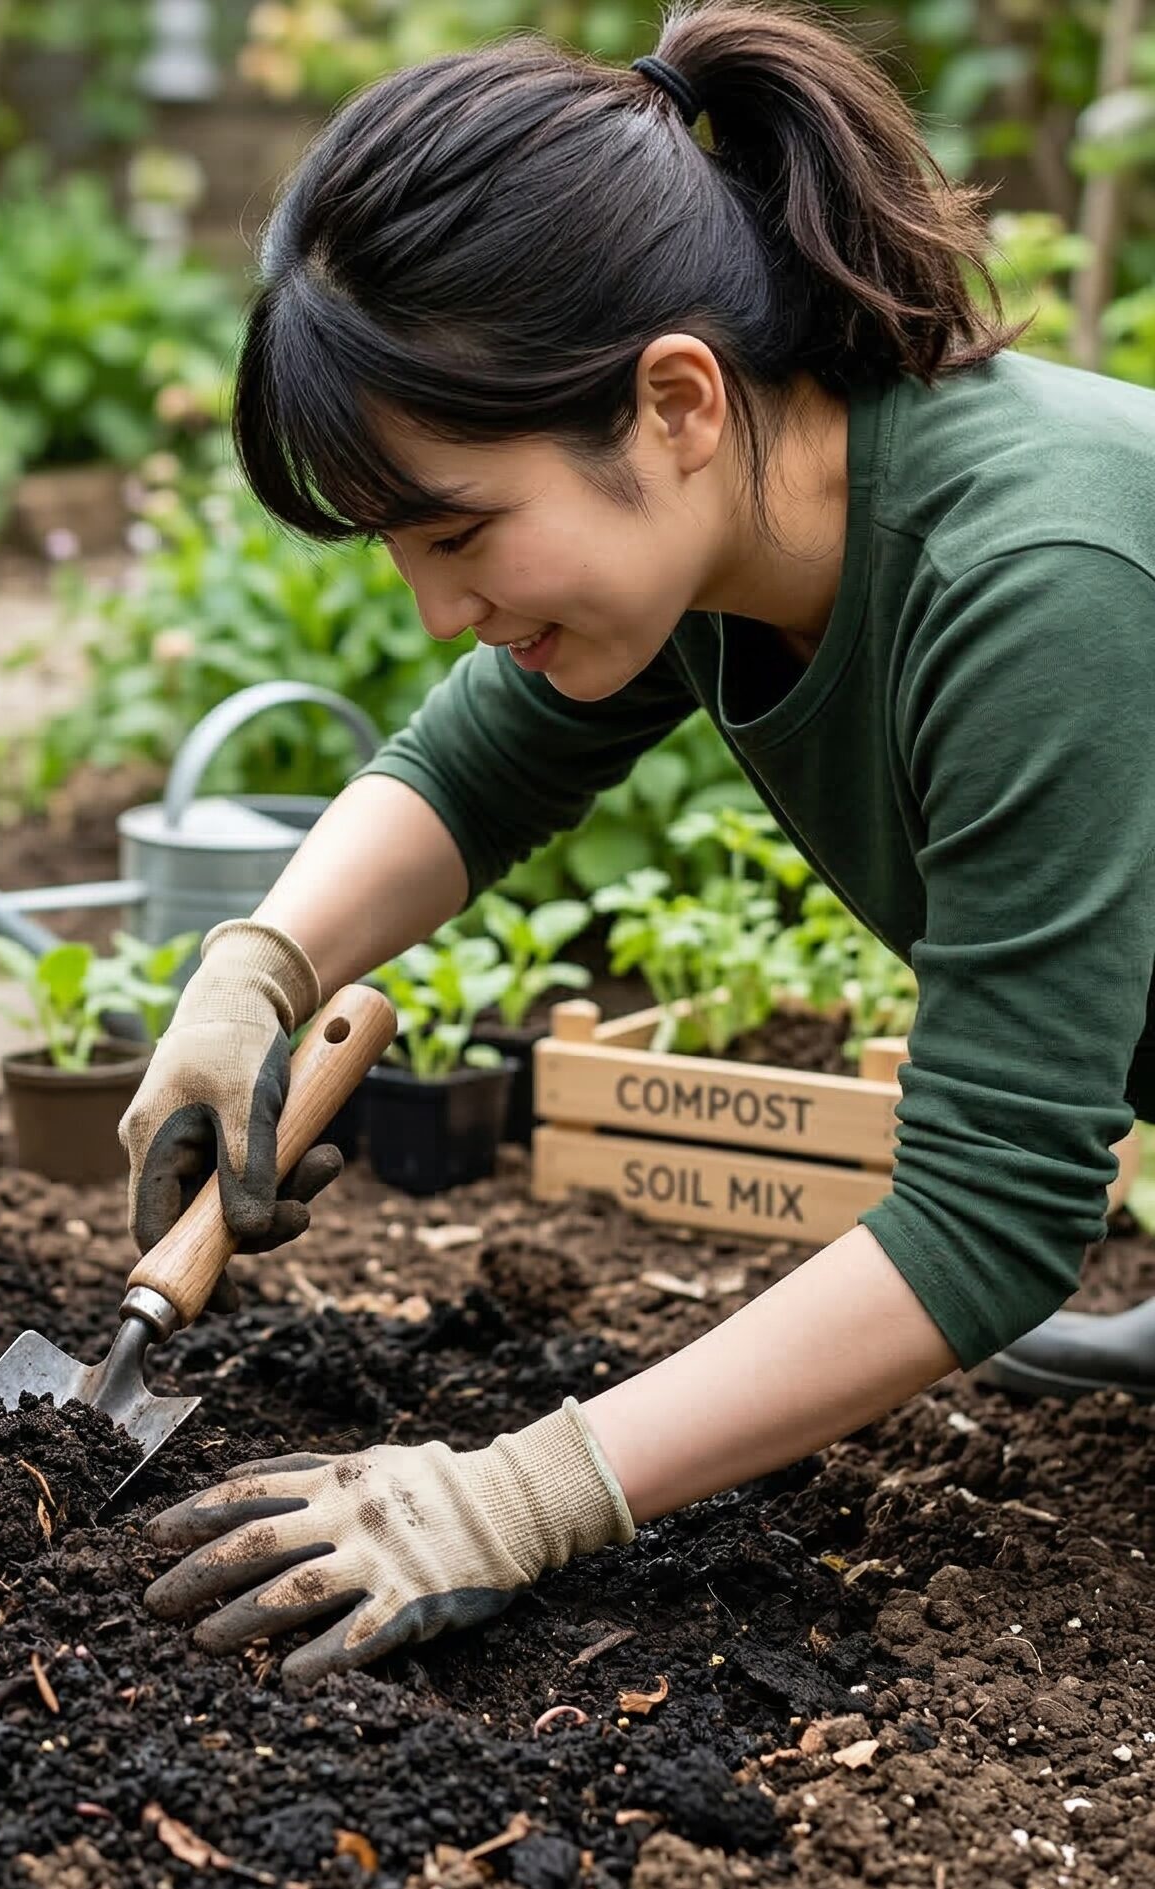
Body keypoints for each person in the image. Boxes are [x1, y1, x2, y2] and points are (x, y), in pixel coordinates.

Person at [122, 0, 1155, 1685]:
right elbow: (475, 767)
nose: (442, 604)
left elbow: (995, 1211)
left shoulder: (1034, 580)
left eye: (458, 529)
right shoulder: (745, 535)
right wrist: (255, 971)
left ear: (675, 399)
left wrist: (523, 1493)